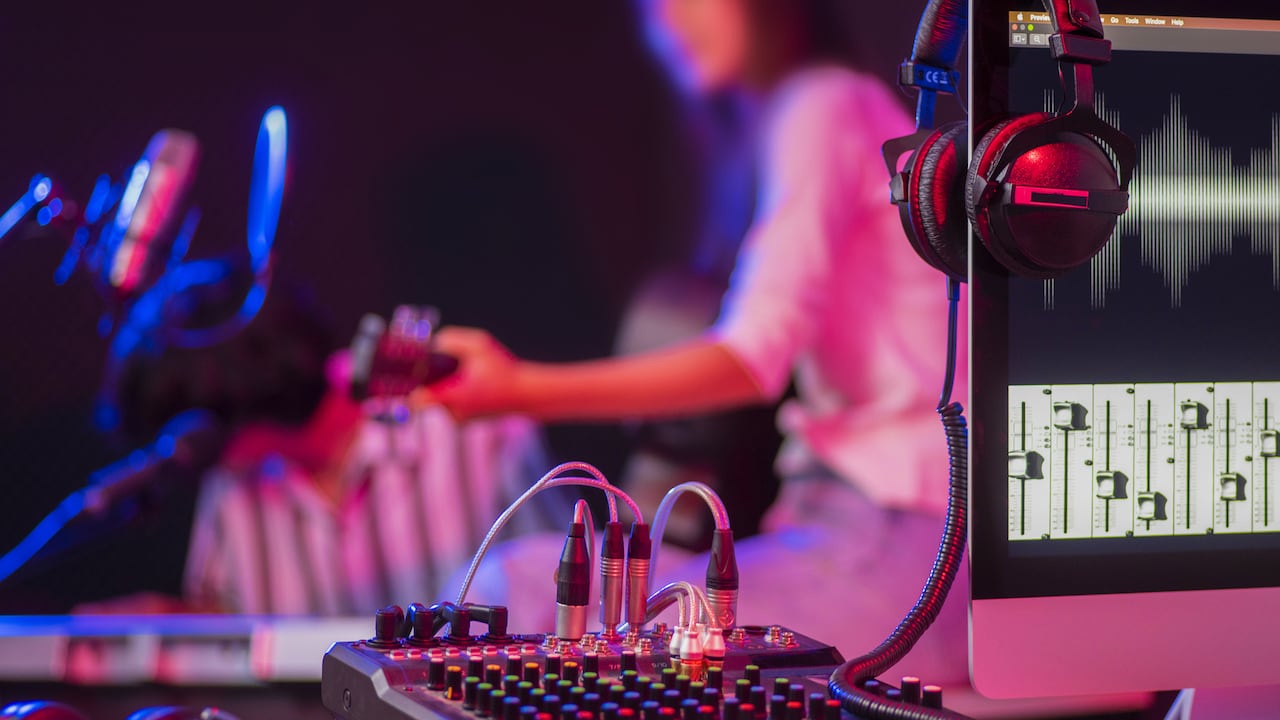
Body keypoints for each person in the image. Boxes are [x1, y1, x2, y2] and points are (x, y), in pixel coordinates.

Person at [415, 0, 969, 683]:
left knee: (520, 587)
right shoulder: (799, 119)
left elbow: (751, 358)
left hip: (900, 549)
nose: (664, 23)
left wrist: (517, 390)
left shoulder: (823, 104)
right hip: (853, 534)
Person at [85, 259, 554, 615]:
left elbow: (563, 609)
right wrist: (164, 628)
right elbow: (228, 638)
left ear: (232, 421)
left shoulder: (471, 428)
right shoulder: (232, 494)